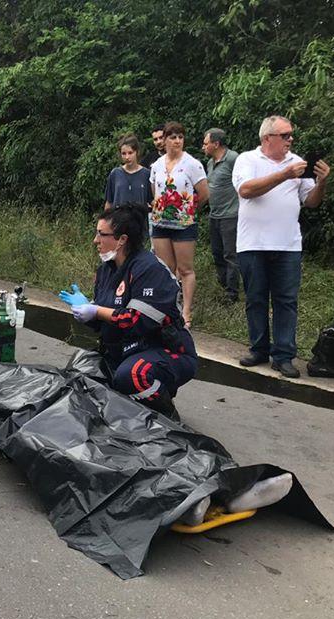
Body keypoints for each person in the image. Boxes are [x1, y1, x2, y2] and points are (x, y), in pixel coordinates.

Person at [58, 204, 197, 420]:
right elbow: (104, 323)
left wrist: (96, 310)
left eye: (101, 234)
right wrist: (87, 309)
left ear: (122, 239)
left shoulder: (149, 269)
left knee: (133, 375)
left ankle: (169, 420)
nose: (96, 240)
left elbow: (136, 320)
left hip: (164, 349)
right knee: (82, 370)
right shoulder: (106, 270)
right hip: (124, 350)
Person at [231, 115, 330, 378]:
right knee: (256, 299)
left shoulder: (298, 162)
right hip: (252, 243)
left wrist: (321, 183)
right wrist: (284, 174)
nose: (290, 139)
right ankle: (259, 349)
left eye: (291, 135)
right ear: (267, 138)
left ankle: (284, 355)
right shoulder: (247, 160)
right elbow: (246, 190)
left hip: (288, 243)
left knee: (286, 301)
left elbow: (310, 202)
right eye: (285, 135)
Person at [150, 121, 209, 327]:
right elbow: (154, 191)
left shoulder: (192, 164)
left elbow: (204, 193)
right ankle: (167, 307)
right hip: (160, 223)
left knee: (185, 269)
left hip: (184, 224)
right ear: (164, 140)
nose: (177, 141)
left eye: (180, 137)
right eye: (173, 137)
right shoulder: (156, 165)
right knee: (165, 269)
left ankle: (185, 312)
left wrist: (188, 210)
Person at [202, 128, 240, 302]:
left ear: (216, 144)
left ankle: (232, 293)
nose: (203, 147)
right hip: (214, 215)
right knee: (217, 253)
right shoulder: (210, 163)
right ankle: (223, 286)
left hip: (230, 215)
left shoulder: (233, 159)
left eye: (206, 143)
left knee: (230, 254)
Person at [104, 135, 152, 221]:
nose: (127, 157)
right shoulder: (115, 174)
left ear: (136, 152)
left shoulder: (146, 174)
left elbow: (152, 201)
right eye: (124, 153)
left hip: (139, 226)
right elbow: (109, 203)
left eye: (130, 153)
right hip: (118, 224)